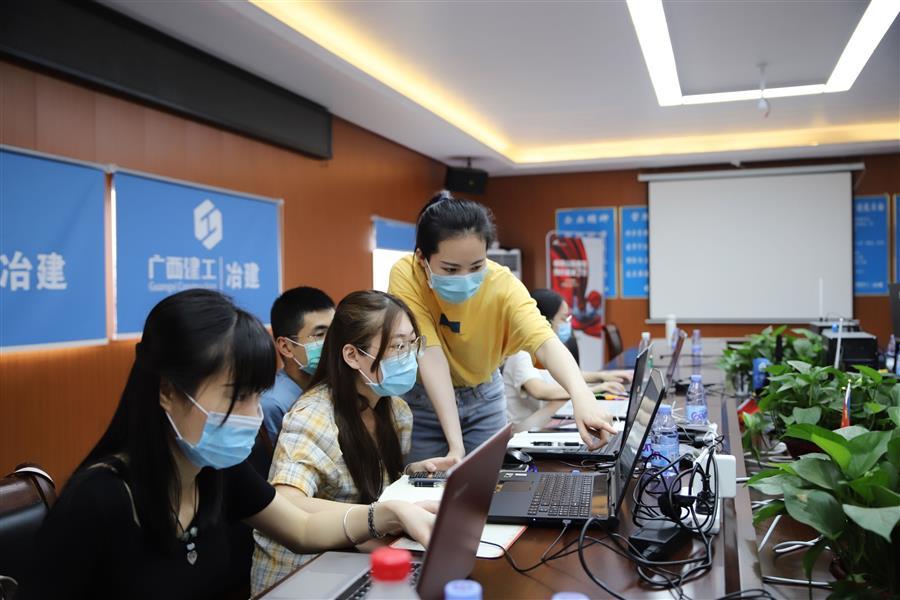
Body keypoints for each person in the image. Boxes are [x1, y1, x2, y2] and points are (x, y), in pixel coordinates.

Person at [16, 289, 434, 600]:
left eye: (256, 396)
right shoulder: (99, 499)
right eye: (237, 396)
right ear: (168, 391)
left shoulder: (216, 470)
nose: (254, 414)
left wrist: (388, 514)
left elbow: (301, 527)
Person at [388, 191, 616, 464]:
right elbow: (430, 355)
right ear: (422, 258)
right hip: (424, 400)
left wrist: (582, 395)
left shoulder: (502, 284)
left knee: (491, 480)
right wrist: (456, 447)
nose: (465, 278)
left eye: (477, 266)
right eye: (450, 269)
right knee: (425, 482)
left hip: (483, 398)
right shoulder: (407, 274)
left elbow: (544, 342)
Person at [252, 290, 454, 594]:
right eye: (398, 346)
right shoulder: (313, 417)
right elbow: (287, 501)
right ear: (352, 355)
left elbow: (361, 488)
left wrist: (410, 475)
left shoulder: (396, 410)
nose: (410, 356)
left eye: (413, 343)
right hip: (301, 571)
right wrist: (384, 516)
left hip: (356, 556)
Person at [503, 288, 633, 432]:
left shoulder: (547, 351)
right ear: (545, 321)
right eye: (564, 319)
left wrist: (602, 376)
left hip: (543, 421)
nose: (567, 324)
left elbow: (567, 376)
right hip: (521, 431)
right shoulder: (521, 352)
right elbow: (540, 390)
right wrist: (590, 391)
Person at [262, 286, 335, 444]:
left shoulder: (337, 387)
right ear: (286, 347)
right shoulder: (273, 404)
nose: (332, 341)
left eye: (334, 332)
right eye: (320, 334)